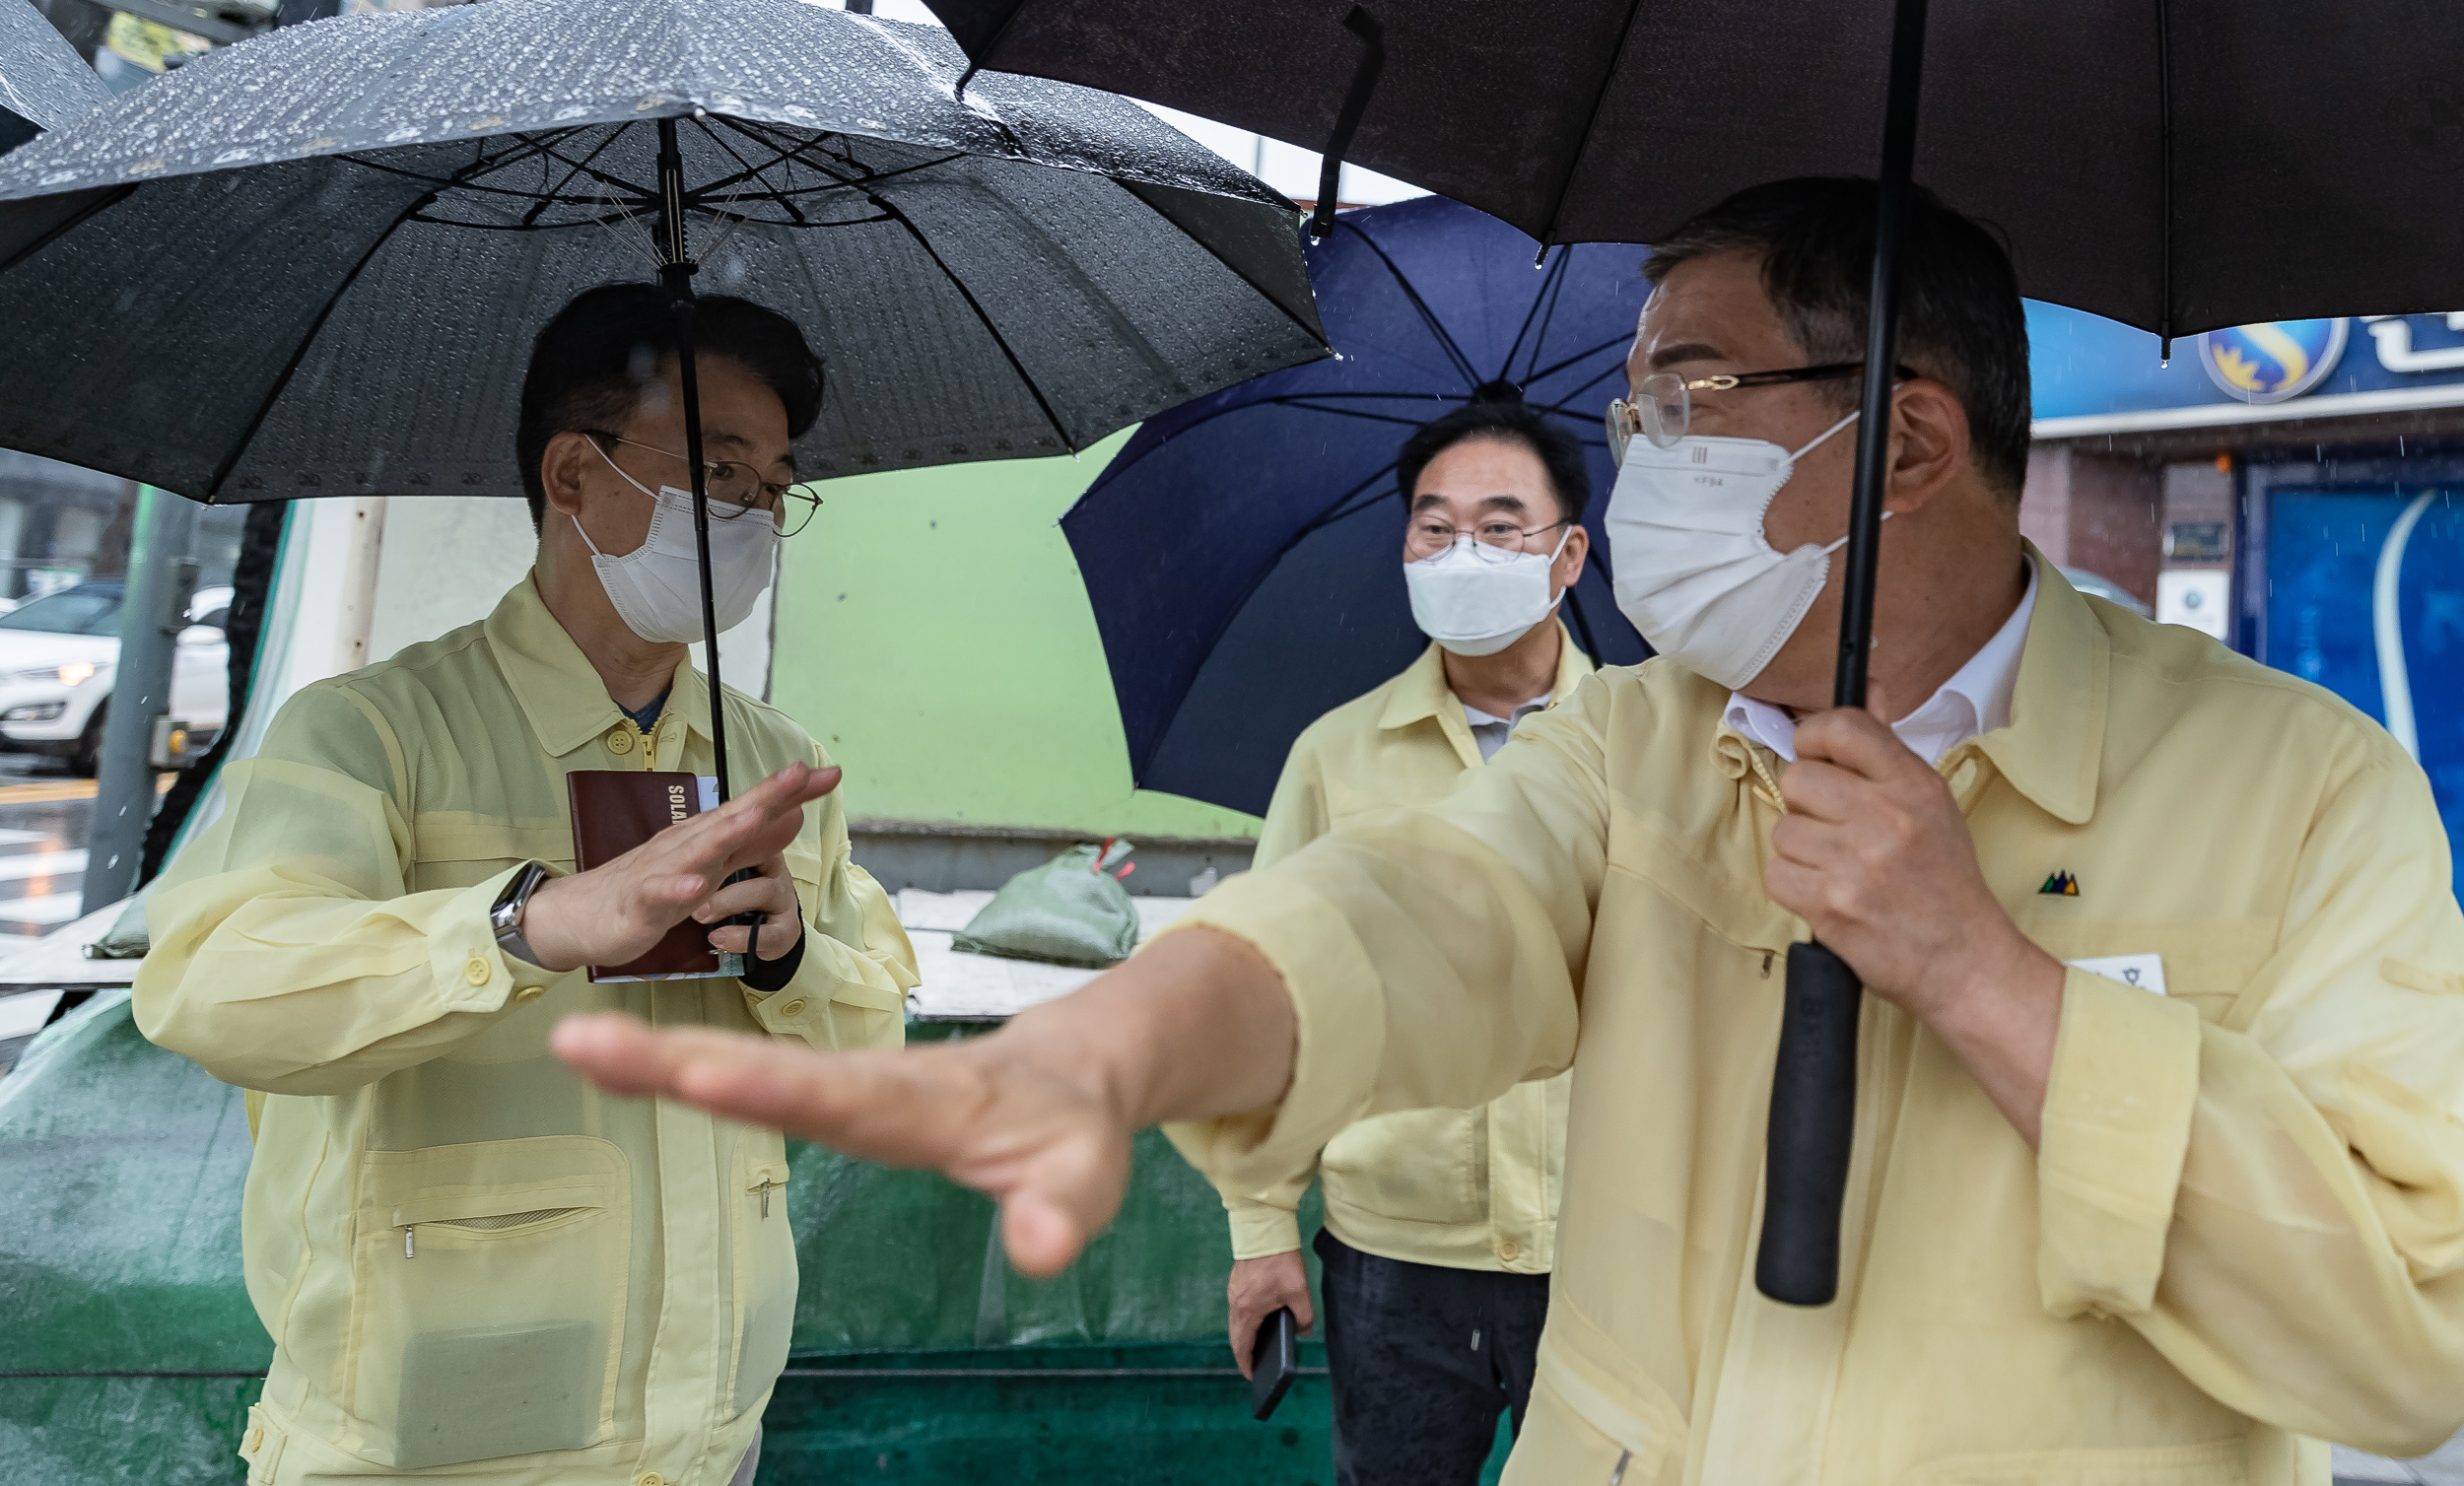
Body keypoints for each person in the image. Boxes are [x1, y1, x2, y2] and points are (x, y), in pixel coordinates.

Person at [552, 181, 2464, 1480]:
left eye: (1679, 396)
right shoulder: (1625, 742)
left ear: (1895, 441)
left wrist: (1986, 979)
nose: (1631, 460)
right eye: (1631, 409)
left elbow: (2402, 1333)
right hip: (1424, 1280)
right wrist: (1125, 1038)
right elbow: (1415, 902)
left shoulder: (2294, 787)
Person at [136, 284, 917, 1486]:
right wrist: (523, 925)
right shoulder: (371, 732)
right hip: (422, 1450)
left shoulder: (770, 759)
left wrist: (793, 958)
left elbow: (874, 1053)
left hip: (705, 1440)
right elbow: (218, 990)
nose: (753, 513)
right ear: (571, 474)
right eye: (715, 470)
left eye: (773, 484)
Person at [1225, 385, 1590, 1484]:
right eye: (1434, 526)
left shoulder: (1643, 745)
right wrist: (1259, 1229)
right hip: (1395, 1255)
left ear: (1566, 555)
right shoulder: (1336, 756)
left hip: (1604, 1238)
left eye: (1497, 524)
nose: (1460, 550)